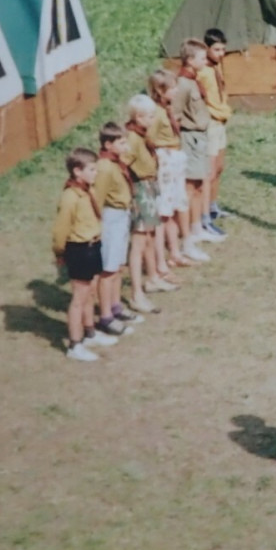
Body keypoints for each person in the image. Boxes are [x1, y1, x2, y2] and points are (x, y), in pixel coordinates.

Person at [51, 147, 116, 362]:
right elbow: (61, 229)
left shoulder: (88, 190)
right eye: (91, 169)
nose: (96, 173)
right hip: (79, 248)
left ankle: (89, 332)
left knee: (91, 293)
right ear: (77, 171)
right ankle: (74, 344)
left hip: (93, 245)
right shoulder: (71, 196)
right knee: (79, 298)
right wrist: (60, 253)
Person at [124, 94, 176, 300]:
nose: (153, 120)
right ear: (137, 116)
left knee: (151, 234)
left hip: (151, 184)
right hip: (141, 189)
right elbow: (123, 165)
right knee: (139, 241)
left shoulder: (142, 133)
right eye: (149, 116)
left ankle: (153, 277)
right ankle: (137, 291)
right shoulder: (131, 138)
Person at [91, 122, 140, 337]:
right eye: (121, 142)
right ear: (108, 144)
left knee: (118, 266)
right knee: (108, 270)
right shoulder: (104, 167)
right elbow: (97, 199)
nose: (126, 145)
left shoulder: (116, 162)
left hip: (122, 216)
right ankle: (105, 316)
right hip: (110, 218)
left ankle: (115, 305)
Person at [145, 70, 193, 275]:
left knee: (172, 210)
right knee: (163, 213)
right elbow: (150, 139)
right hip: (165, 161)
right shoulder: (155, 113)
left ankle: (175, 252)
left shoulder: (167, 108)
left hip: (174, 160)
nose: (175, 91)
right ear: (159, 90)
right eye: (171, 88)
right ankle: (160, 261)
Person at [173, 40, 216, 262]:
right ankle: (187, 237)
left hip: (200, 138)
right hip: (190, 139)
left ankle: (197, 226)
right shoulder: (182, 84)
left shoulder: (193, 81)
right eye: (201, 58)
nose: (205, 61)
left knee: (200, 185)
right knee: (189, 187)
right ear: (190, 61)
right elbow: (175, 114)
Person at [197, 29, 233, 237]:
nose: (221, 53)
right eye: (217, 49)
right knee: (209, 172)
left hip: (221, 121)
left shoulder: (216, 68)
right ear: (207, 48)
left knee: (218, 167)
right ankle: (203, 218)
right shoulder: (203, 72)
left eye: (223, 49)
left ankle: (212, 205)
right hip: (210, 123)